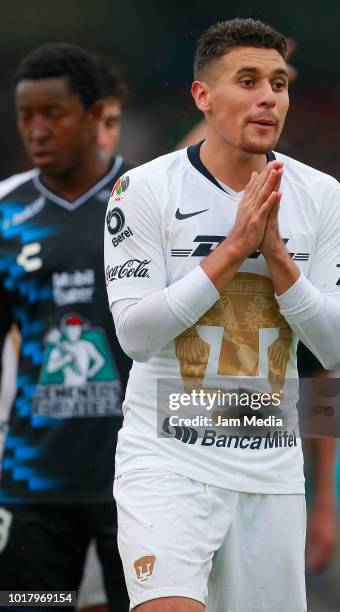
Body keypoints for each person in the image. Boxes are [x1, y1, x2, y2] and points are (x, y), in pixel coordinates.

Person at [104, 17, 340, 612]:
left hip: (271, 473)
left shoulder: (320, 194)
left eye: (278, 82)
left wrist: (277, 258)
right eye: (247, 80)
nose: (269, 96)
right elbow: (135, 336)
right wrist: (234, 248)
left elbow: (337, 353)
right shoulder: (142, 190)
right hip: (166, 461)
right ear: (202, 95)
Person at [0, 43, 131, 611]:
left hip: (137, 481)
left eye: (53, 113)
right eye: (26, 116)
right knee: (32, 605)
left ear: (94, 115)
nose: (37, 130)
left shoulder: (144, 199)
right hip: (35, 482)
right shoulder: (6, 212)